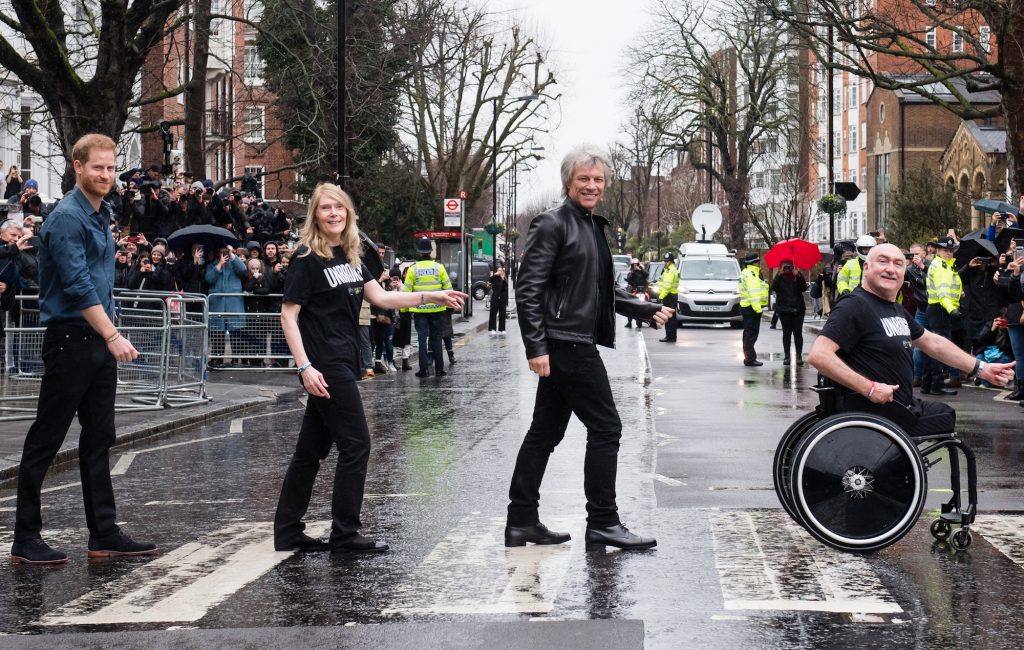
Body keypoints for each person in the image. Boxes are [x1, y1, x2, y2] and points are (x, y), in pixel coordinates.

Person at [273, 183, 465, 553]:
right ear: (315, 214)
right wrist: (305, 367)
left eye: (340, 208)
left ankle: (288, 530)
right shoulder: (306, 258)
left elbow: (382, 297)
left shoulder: (350, 256)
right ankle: (345, 532)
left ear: (348, 214)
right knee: (357, 444)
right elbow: (288, 315)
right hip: (325, 364)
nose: (334, 214)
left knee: (309, 452)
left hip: (344, 359)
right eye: (326, 208)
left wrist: (431, 296)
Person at [507, 145, 673, 551]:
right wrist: (536, 347)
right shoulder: (553, 223)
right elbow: (527, 288)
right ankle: (603, 521)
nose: (592, 186)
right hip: (566, 344)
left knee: (543, 433)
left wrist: (645, 307)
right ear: (569, 182)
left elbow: (602, 289)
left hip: (571, 341)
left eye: (598, 180)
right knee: (606, 428)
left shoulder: (591, 226)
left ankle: (521, 520)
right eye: (584, 179)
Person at [11, 133, 158, 565]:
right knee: (46, 439)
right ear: (78, 167)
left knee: (100, 437)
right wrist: (113, 335)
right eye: (99, 167)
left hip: (98, 340)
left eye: (112, 168)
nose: (107, 175)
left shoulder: (102, 213)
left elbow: (101, 282)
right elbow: (77, 287)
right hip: (71, 339)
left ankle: (104, 533)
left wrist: (109, 335)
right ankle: (25, 537)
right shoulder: (67, 219)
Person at [808, 243, 1014, 437]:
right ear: (866, 267)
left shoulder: (893, 307)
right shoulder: (854, 305)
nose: (891, 269)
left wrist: (981, 368)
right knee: (944, 419)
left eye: (898, 264)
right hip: (877, 413)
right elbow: (819, 355)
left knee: (945, 414)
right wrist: (869, 388)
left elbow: (932, 342)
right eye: (883, 261)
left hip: (899, 408)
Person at [403, 236, 453, 378]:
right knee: (437, 339)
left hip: (419, 311)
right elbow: (448, 288)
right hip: (437, 310)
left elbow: (406, 292)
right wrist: (449, 306)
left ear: (419, 252)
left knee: (421, 339)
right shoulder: (439, 268)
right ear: (430, 252)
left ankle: (423, 369)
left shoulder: (413, 269)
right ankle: (439, 369)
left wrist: (404, 311)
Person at [920, 236, 962, 396]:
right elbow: (943, 293)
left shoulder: (943, 265)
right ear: (938, 250)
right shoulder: (941, 267)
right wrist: (952, 310)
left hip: (937, 309)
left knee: (931, 348)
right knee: (939, 349)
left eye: (951, 250)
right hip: (941, 310)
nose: (949, 253)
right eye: (945, 250)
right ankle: (936, 385)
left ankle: (927, 384)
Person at [770, 260, 808, 365]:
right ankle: (787, 356)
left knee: (798, 333)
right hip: (784, 309)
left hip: (798, 309)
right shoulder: (779, 277)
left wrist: (799, 276)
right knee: (786, 334)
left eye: (790, 267)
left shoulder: (797, 276)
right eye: (786, 267)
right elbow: (773, 287)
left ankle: (799, 356)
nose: (788, 269)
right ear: (781, 267)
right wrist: (779, 274)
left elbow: (804, 288)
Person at [738, 252, 769, 366]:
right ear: (755, 263)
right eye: (758, 262)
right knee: (751, 334)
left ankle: (749, 357)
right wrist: (758, 309)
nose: (759, 264)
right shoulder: (751, 275)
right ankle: (750, 358)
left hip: (747, 306)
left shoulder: (746, 273)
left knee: (748, 333)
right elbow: (754, 294)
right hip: (752, 308)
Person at [657, 252, 680, 343]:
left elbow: (667, 287)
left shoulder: (671, 271)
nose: (665, 263)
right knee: (671, 317)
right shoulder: (667, 270)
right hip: (670, 296)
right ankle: (671, 336)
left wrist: (661, 296)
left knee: (669, 317)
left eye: (666, 261)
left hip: (669, 296)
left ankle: (670, 337)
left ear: (671, 262)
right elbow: (661, 282)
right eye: (665, 261)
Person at [624, 258, 648, 329]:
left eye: (636, 264)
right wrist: (633, 272)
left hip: (642, 290)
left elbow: (647, 274)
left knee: (648, 299)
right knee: (629, 304)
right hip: (634, 290)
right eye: (633, 265)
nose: (635, 266)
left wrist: (640, 269)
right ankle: (629, 322)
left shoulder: (642, 272)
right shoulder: (631, 272)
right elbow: (628, 278)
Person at [488, 263, 509, 336]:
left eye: (501, 270)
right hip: (495, 298)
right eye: (498, 270)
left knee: (502, 314)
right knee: (493, 313)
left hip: (502, 299)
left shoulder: (504, 279)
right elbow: (488, 284)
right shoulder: (494, 278)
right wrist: (494, 275)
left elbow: (505, 288)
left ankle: (502, 329)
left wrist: (503, 278)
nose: (500, 272)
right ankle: (493, 329)